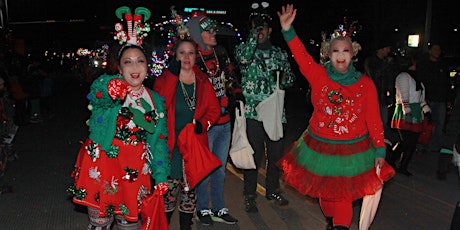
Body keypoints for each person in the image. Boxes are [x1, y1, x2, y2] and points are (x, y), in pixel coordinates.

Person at [276, 4, 395, 230]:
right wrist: (288, 30)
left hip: (353, 150)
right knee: (328, 199)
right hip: (319, 147)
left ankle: (340, 226)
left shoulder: (365, 84)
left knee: (343, 197)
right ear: (328, 54)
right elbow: (300, 56)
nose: (341, 56)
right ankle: (332, 220)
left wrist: (380, 149)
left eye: (346, 51)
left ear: (353, 53)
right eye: (335, 51)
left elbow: (374, 119)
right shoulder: (318, 75)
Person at [68, 44, 171, 229]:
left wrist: (161, 176)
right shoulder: (111, 87)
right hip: (103, 167)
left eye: (140, 61)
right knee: (100, 223)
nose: (134, 67)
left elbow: (158, 143)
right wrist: (110, 88)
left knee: (129, 225)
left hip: (135, 172)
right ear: (120, 68)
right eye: (128, 62)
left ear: (148, 67)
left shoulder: (154, 99)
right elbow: (98, 93)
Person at [153, 39, 221, 230]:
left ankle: (186, 226)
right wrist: (173, 76)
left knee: (190, 191)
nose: (186, 57)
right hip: (171, 145)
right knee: (170, 189)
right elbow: (160, 106)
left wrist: (203, 124)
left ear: (196, 56)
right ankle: (162, 225)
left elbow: (214, 110)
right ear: (175, 56)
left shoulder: (202, 80)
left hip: (194, 145)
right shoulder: (165, 79)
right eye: (182, 53)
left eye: (190, 53)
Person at [234, 2, 295, 213]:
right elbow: (242, 58)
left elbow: (290, 78)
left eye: (263, 28)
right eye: (256, 28)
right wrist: (253, 33)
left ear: (270, 30)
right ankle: (250, 194)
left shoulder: (279, 53)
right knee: (253, 155)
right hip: (253, 111)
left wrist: (283, 79)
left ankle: (273, 190)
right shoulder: (244, 50)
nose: (260, 31)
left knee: (276, 155)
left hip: (276, 113)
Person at [185, 11, 241, 225]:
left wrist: (237, 92)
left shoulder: (220, 52)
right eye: (208, 30)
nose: (213, 33)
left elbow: (231, 76)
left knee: (219, 168)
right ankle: (203, 209)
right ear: (198, 34)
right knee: (205, 168)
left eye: (213, 29)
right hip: (204, 124)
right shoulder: (191, 58)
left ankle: (218, 207)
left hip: (224, 122)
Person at [389, 56, 431, 176]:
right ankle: (391, 160)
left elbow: (420, 97)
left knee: (411, 142)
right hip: (406, 111)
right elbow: (404, 95)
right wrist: (407, 110)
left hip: (415, 111)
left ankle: (402, 165)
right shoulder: (403, 76)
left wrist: (426, 110)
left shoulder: (415, 78)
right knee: (406, 141)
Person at [416, 44, 451, 179]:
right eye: (435, 49)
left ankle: (435, 146)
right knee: (426, 124)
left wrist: (448, 98)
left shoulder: (442, 66)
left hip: (440, 99)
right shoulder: (425, 65)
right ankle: (423, 145)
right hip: (428, 98)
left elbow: (447, 83)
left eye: (439, 49)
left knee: (439, 124)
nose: (437, 51)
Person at [364, 41, 399, 148]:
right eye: (386, 48)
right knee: (371, 122)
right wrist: (385, 64)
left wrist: (390, 95)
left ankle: (379, 145)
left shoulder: (387, 62)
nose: (388, 51)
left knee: (383, 123)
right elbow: (374, 75)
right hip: (372, 97)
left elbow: (390, 79)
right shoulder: (371, 61)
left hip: (383, 97)